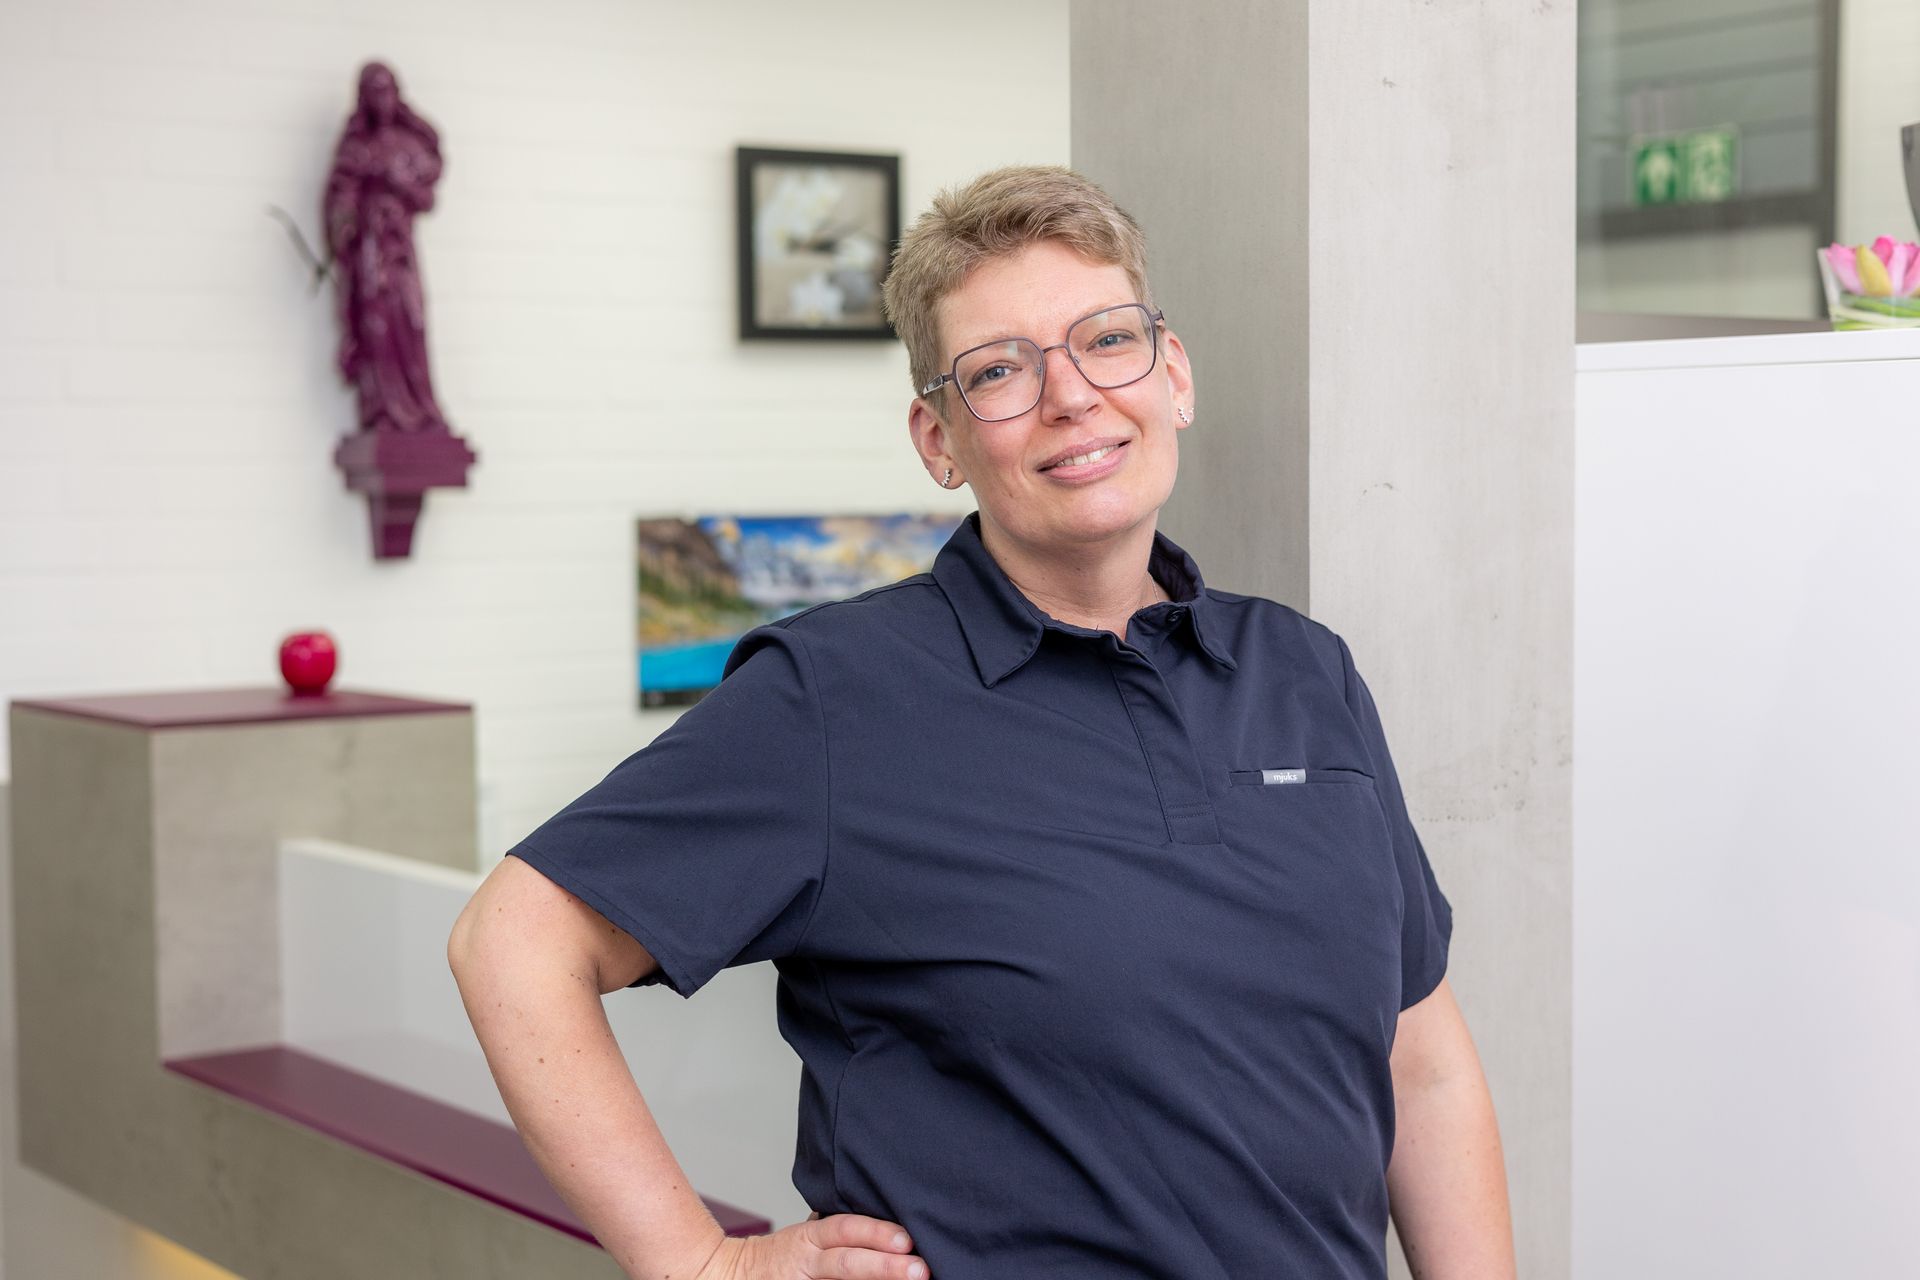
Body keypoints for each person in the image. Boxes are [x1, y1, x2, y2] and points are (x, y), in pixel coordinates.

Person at [449, 165, 1516, 1280]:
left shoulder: (1304, 670)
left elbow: (1419, 1061)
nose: (1072, 397)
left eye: (1107, 340)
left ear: (1174, 374)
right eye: (1001, 370)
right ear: (939, 439)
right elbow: (514, 941)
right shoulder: (835, 695)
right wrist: (705, 1262)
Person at [323, 62, 451, 435]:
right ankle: (383, 408)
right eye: (374, 91)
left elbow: (426, 198)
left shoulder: (407, 147)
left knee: (410, 320)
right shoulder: (358, 148)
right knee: (377, 324)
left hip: (401, 252)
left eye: (388, 89)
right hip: (371, 251)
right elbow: (342, 194)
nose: (382, 99)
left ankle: (418, 408)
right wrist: (343, 224)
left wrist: (399, 184)